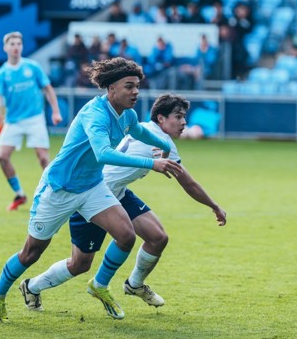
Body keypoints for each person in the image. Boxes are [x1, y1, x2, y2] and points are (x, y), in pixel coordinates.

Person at [0, 57, 181, 323]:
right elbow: (103, 153)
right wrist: (153, 162)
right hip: (59, 188)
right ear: (111, 88)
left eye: (137, 86)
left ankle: (100, 286)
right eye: (129, 86)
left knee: (126, 235)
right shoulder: (95, 114)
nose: (135, 92)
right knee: (31, 252)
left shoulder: (128, 114)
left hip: (91, 186)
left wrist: (164, 145)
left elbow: (137, 131)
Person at [18, 94, 226, 313]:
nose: (184, 122)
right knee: (79, 264)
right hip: (93, 194)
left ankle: (133, 284)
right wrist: (214, 206)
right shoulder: (156, 138)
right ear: (161, 118)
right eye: (178, 116)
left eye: (185, 117)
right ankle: (32, 286)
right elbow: (189, 184)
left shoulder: (144, 128)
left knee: (157, 237)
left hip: (117, 192)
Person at [0, 32, 63, 211]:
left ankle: (57, 194)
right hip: (13, 120)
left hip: (35, 118)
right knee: (1, 156)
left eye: (19, 44)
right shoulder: (2, 73)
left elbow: (48, 89)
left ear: (22, 47)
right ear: (5, 48)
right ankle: (20, 194)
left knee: (43, 157)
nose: (16, 47)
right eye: (12, 44)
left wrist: (55, 111)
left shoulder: (33, 67)